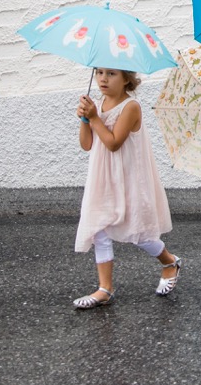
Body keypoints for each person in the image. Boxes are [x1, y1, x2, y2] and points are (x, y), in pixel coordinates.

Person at [72, 68, 182, 309]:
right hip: (103, 177)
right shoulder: (98, 103)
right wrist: (84, 118)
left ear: (126, 80)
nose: (103, 78)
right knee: (99, 227)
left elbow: (113, 143)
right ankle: (105, 288)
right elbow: (87, 144)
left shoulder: (131, 107)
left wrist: (94, 118)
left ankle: (170, 262)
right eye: (99, 72)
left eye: (111, 73)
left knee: (139, 233)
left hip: (129, 177)